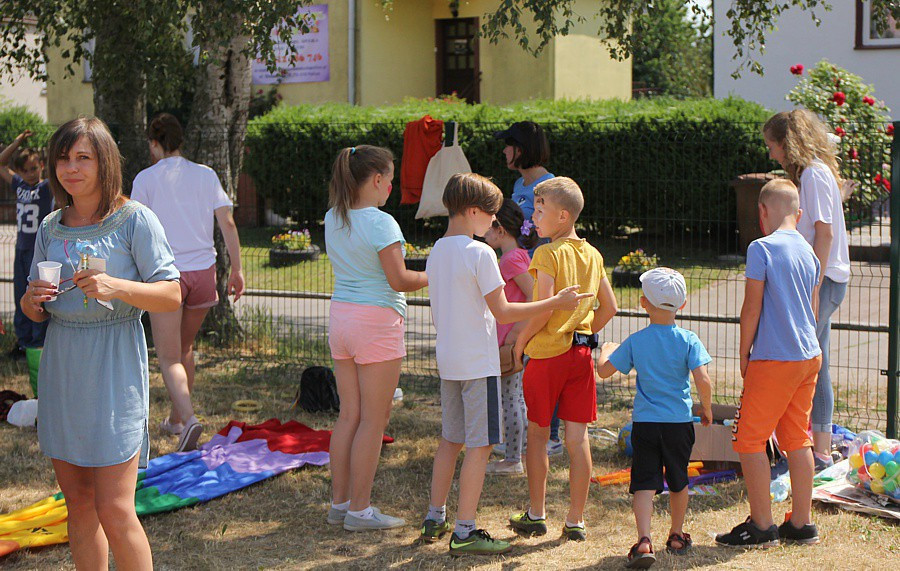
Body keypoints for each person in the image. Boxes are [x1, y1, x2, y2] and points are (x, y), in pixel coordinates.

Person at [22, 117, 181, 570]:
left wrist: (115, 287)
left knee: (114, 507)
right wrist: (32, 300)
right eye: (63, 158)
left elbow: (172, 294)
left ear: (104, 161)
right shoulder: (52, 227)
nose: (70, 168)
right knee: (80, 504)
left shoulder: (135, 219)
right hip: (63, 367)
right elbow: (35, 308)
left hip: (114, 367)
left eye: (83, 158)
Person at [418, 173, 591, 555]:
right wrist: (554, 304)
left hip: (449, 360)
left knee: (451, 440)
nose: (494, 224)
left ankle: (435, 516)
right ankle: (464, 531)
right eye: (492, 217)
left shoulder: (438, 249)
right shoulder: (480, 253)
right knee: (479, 447)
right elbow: (504, 310)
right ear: (474, 211)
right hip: (479, 365)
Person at [324, 145, 428, 531]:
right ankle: (360, 511)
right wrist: (435, 273)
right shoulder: (382, 223)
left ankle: (341, 504)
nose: (393, 187)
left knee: (349, 415)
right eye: (391, 179)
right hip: (376, 323)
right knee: (374, 418)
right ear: (377, 180)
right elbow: (399, 279)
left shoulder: (332, 218)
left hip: (341, 320)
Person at [508, 177, 617, 542]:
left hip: (546, 356)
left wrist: (521, 341)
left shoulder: (546, 254)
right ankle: (575, 520)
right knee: (577, 438)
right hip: (581, 354)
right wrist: (581, 329)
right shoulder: (593, 254)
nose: (534, 216)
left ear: (563, 216)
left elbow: (541, 309)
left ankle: (537, 514)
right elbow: (610, 307)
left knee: (538, 435)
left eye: (541, 210)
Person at [716, 179, 822, 547]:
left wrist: (744, 353)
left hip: (774, 357)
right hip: (809, 355)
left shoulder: (761, 248)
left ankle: (762, 526)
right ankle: (802, 523)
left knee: (749, 441)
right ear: (799, 213)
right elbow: (812, 308)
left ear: (762, 212)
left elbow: (752, 306)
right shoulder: (809, 253)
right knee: (797, 437)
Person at [131, 113, 245, 452]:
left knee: (167, 357)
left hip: (166, 274)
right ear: (181, 141)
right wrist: (236, 269)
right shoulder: (206, 175)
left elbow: (135, 229)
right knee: (185, 350)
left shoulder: (146, 179)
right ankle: (178, 419)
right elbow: (228, 222)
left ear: (154, 143)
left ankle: (189, 420)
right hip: (203, 273)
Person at [596, 268, 713, 568]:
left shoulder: (637, 341)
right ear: (682, 305)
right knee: (678, 479)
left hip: (646, 424)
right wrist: (707, 408)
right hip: (678, 423)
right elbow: (703, 379)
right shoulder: (689, 339)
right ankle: (676, 534)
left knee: (645, 483)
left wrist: (605, 351)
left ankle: (644, 540)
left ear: (643, 303)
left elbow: (604, 371)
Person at [762, 110, 850, 467]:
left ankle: (803, 446)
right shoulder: (817, 173)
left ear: (786, 143)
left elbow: (824, 233)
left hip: (823, 280)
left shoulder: (813, 174)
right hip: (826, 278)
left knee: (800, 359)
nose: (771, 154)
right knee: (817, 360)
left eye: (772, 145)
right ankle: (819, 448)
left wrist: (812, 284)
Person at [493, 120, 564, 455]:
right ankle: (523, 433)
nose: (503, 151)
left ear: (520, 148)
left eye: (508, 145)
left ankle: (550, 436)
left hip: (541, 281)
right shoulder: (518, 184)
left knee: (543, 357)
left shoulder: (550, 187)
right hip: (523, 280)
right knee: (527, 360)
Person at [483, 199, 538, 475]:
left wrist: (517, 334)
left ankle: (513, 458)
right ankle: (515, 450)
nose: (484, 234)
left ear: (500, 230)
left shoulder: (510, 259)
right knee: (513, 397)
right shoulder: (514, 257)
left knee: (510, 398)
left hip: (510, 342)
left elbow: (534, 295)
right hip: (510, 339)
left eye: (489, 228)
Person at [0, 131, 53, 363]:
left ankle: (38, 343)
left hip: (38, 250)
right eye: (26, 170)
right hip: (21, 248)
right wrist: (17, 142)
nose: (31, 174)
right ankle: (22, 344)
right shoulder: (19, 185)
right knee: (20, 293)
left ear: (41, 166)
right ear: (20, 172)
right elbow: (1, 162)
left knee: (38, 296)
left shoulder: (47, 187)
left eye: (34, 168)